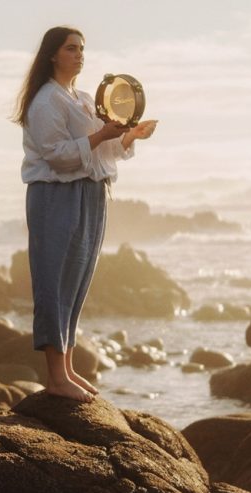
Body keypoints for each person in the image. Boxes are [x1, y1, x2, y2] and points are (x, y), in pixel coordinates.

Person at [14, 26, 157, 403]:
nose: (80, 55)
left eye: (82, 49)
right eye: (71, 49)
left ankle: (69, 368)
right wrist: (101, 135)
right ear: (52, 55)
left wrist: (128, 136)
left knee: (76, 282)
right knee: (53, 280)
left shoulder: (78, 98)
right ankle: (56, 377)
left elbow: (102, 152)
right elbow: (58, 156)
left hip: (90, 193)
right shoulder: (46, 101)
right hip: (55, 194)